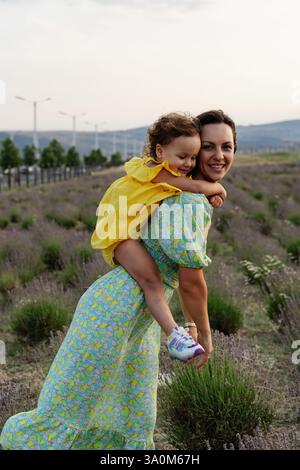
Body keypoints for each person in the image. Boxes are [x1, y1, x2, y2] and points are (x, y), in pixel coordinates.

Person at [0, 109, 236, 450]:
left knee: (131, 414)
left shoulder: (181, 196)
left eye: (226, 146)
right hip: (115, 311)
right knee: (70, 409)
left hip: (139, 318)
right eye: (208, 147)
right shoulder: (184, 200)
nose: (217, 155)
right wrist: (206, 335)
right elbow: (190, 281)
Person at [91, 112, 227, 362]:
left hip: (127, 228)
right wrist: (218, 188)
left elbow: (189, 187)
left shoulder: (170, 175)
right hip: (121, 234)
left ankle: (176, 331)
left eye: (194, 157)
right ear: (160, 151)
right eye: (183, 156)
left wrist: (209, 196)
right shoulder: (158, 171)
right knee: (152, 281)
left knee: (152, 281)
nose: (188, 163)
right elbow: (195, 187)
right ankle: (174, 335)